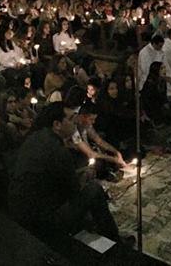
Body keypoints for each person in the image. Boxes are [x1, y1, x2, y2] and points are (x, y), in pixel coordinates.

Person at [9, 102, 122, 242]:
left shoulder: (35, 137)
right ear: (57, 124)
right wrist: (85, 175)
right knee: (94, 190)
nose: (74, 122)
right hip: (41, 220)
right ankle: (114, 240)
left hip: (24, 209)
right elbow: (73, 192)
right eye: (70, 119)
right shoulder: (57, 150)